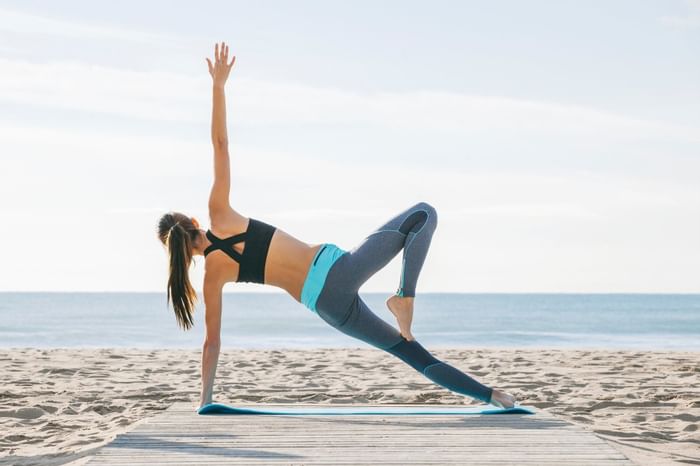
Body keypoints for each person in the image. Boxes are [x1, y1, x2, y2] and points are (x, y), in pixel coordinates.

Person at [157, 42, 517, 411]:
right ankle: (404, 298)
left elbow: (212, 342)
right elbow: (220, 144)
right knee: (423, 214)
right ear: (194, 221)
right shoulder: (220, 213)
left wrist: (206, 399)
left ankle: (493, 397)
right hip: (336, 272)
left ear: (181, 255)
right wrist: (218, 86)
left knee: (408, 352)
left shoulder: (212, 276)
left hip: (328, 308)